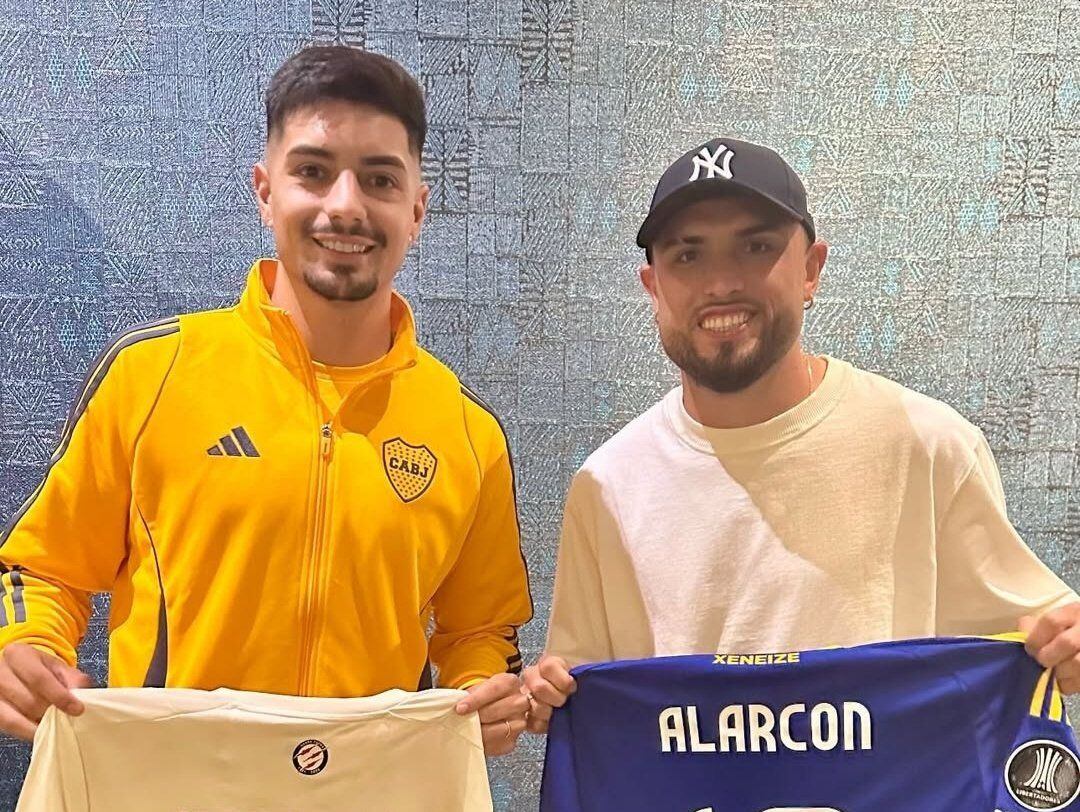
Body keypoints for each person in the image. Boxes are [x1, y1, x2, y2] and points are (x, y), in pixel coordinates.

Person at [0, 44, 532, 757]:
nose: (345, 205)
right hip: (171, 791)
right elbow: (42, 569)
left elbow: (482, 632)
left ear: (416, 209)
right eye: (313, 172)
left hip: (372, 794)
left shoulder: (467, 431)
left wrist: (483, 695)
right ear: (265, 191)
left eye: (379, 179)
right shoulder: (153, 374)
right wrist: (26, 643)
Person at [522, 137, 1080, 730]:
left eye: (756, 247)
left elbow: (1037, 640)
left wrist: (1066, 645)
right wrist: (546, 695)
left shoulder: (929, 445)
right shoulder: (607, 485)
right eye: (687, 256)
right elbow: (582, 693)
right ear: (652, 286)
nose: (720, 283)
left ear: (811, 270)